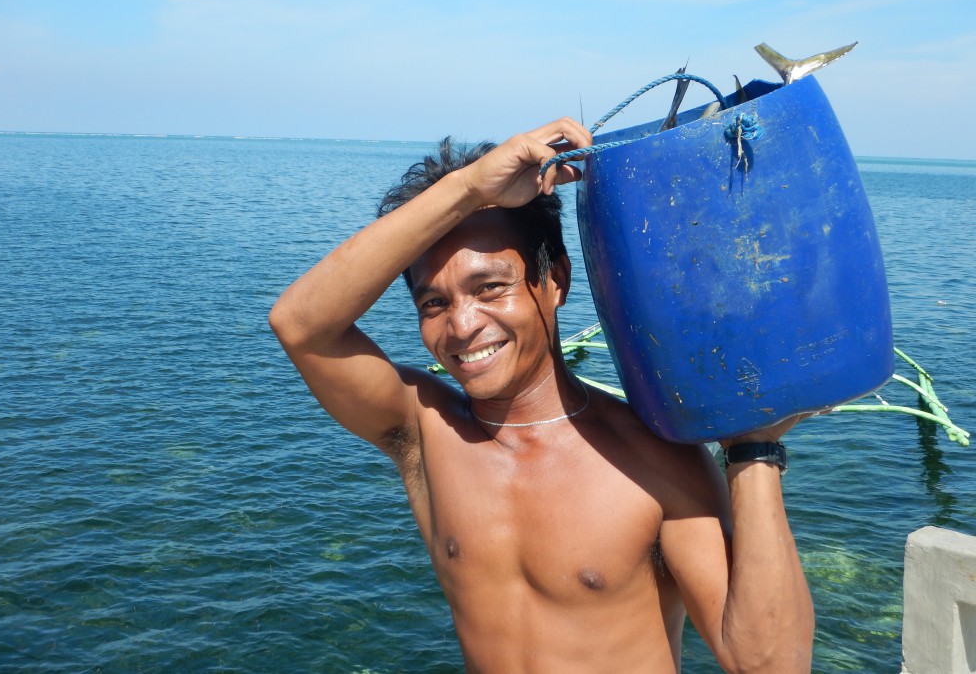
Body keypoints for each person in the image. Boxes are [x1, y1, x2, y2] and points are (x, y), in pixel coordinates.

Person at [269, 118, 815, 673]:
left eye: (489, 288)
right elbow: (300, 325)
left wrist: (753, 452)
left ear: (554, 280)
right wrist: (468, 189)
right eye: (433, 304)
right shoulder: (425, 431)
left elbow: (768, 666)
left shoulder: (654, 459)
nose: (460, 326)